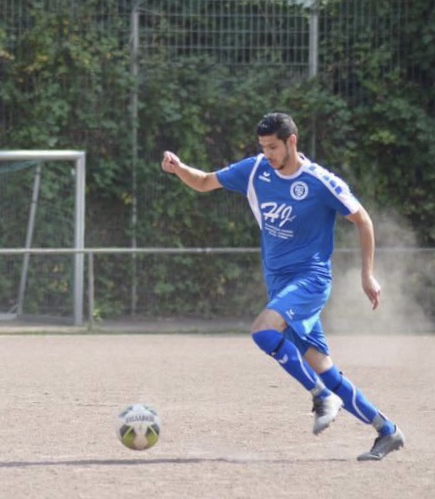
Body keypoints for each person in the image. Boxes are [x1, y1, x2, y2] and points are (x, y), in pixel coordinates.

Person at [160, 112, 405, 461]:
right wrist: (179, 168)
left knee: (262, 332)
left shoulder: (321, 182)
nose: (267, 154)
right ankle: (387, 431)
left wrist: (367, 274)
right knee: (325, 369)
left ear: (292, 141)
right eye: (262, 147)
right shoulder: (256, 169)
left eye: (273, 147)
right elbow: (204, 182)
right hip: (280, 285)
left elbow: (362, 219)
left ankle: (321, 396)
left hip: (311, 280)